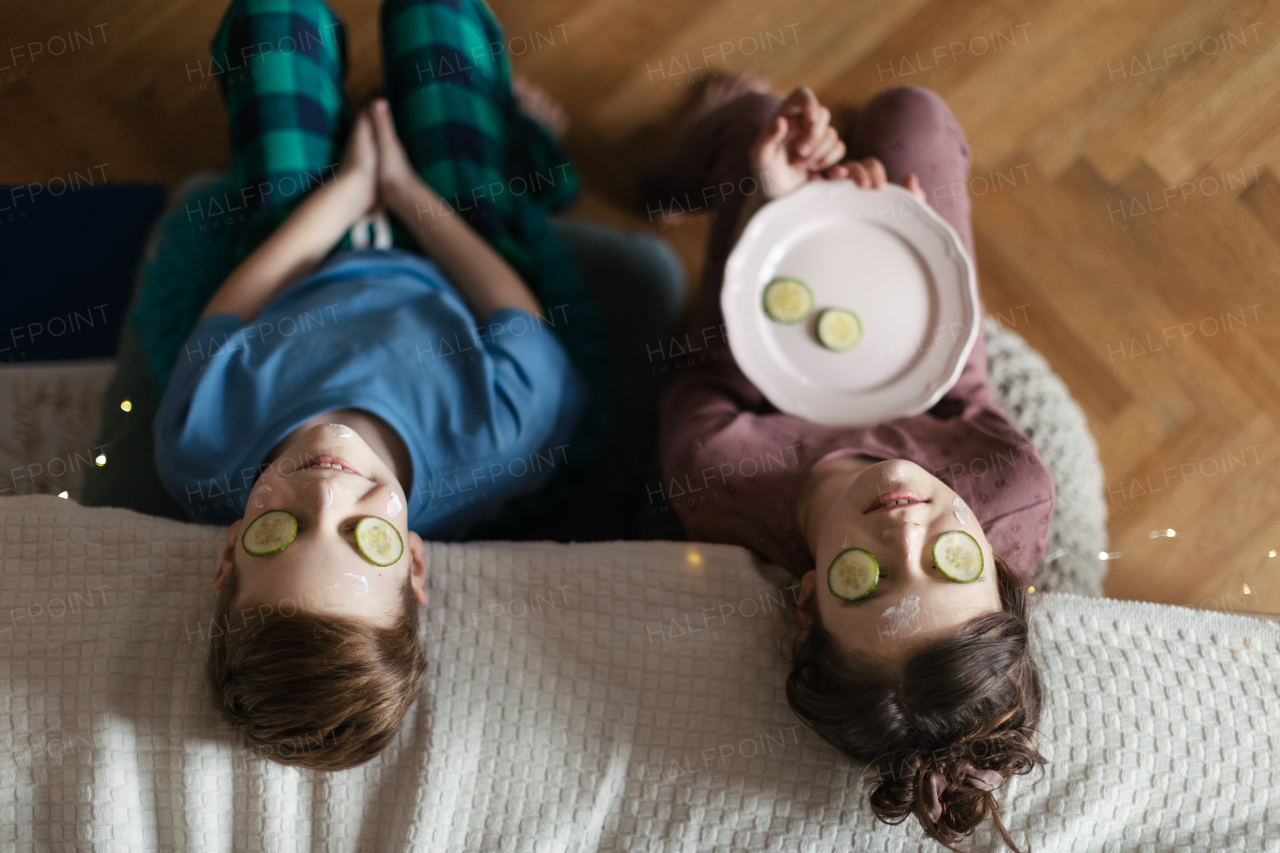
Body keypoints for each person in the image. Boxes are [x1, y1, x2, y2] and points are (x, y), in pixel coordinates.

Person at [152, 0, 674, 772]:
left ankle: (488, 139)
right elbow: (511, 308)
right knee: (436, 22)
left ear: (229, 549)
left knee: (273, 25)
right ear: (417, 563)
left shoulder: (200, 447)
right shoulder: (503, 437)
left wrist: (343, 194)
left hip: (303, 241)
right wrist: (400, 189)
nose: (326, 496)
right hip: (449, 237)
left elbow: (237, 299)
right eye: (369, 537)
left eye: (278, 534)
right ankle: (524, 149)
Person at [647, 79, 1052, 851]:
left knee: (751, 123)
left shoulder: (719, 475)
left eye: (863, 581)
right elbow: (965, 385)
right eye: (948, 557)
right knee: (915, 113)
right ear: (998, 569)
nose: (903, 535)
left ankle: (667, 184)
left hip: (766, 359)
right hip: (911, 361)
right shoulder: (1010, 491)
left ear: (806, 608)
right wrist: (902, 275)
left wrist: (781, 210)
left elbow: (704, 370)